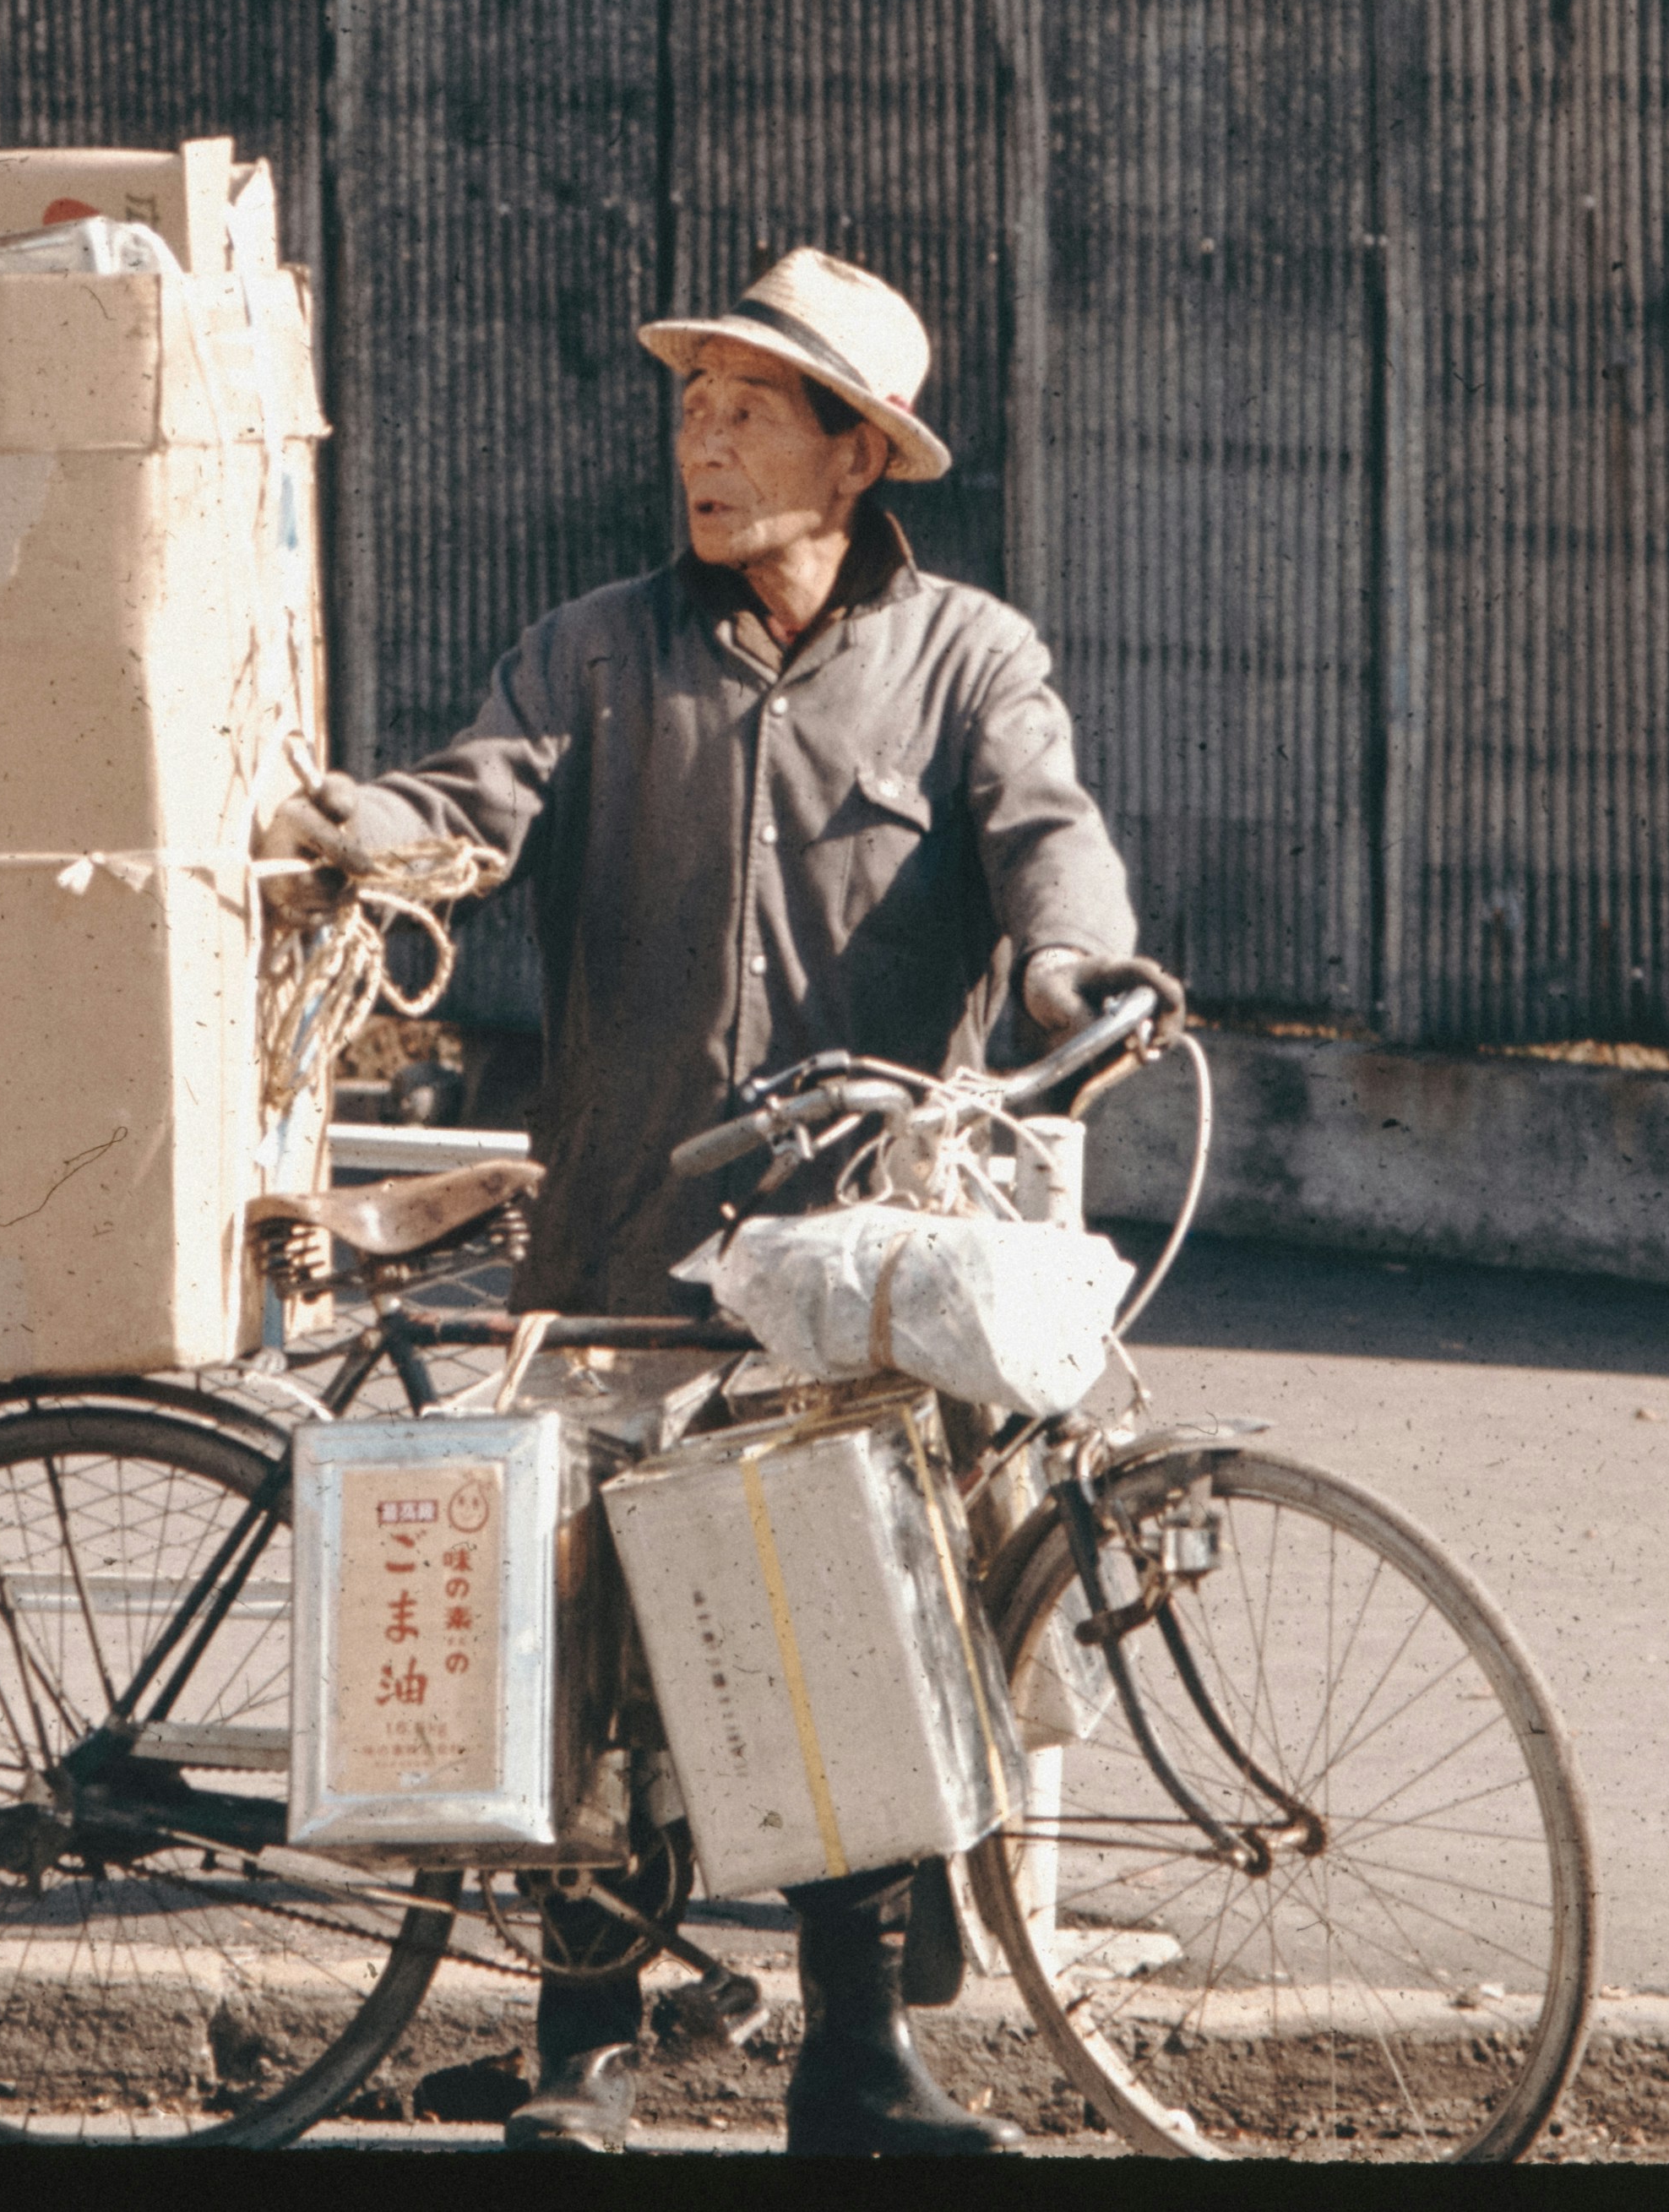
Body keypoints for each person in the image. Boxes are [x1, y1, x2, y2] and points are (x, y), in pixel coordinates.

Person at [268, 247, 1185, 2159]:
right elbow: (478, 799)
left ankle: (854, 2061)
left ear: (860, 457)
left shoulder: (968, 659)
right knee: (591, 1657)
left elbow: (1047, 839)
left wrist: (1074, 974)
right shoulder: (603, 646)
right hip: (619, 1233)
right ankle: (580, 2056)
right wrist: (376, 829)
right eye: (694, 401)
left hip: (852, 1263)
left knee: (839, 1636)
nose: (705, 435)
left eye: (752, 407)